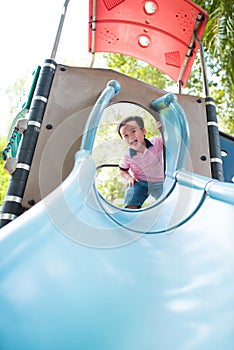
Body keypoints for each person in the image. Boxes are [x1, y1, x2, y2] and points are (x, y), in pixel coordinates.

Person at [117, 115, 164, 209]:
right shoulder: (127, 156)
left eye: (133, 131)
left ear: (143, 131)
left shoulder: (156, 142)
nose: (130, 136)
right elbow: (122, 170)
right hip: (141, 182)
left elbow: (171, 140)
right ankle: (130, 215)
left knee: (166, 201)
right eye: (125, 135)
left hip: (160, 181)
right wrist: (129, 178)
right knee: (131, 194)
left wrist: (163, 131)